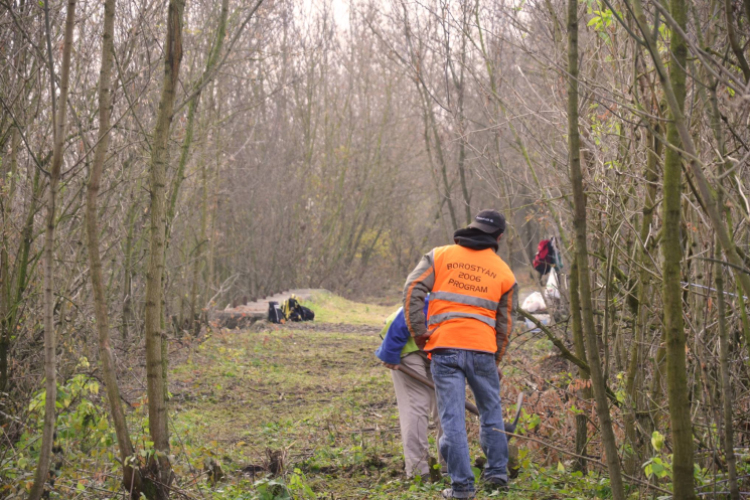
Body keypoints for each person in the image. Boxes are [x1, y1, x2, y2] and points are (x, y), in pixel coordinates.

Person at [403, 209, 517, 499]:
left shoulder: (439, 256)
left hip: (445, 347)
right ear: (499, 236)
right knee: (491, 411)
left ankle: (462, 488)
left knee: (451, 418)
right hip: (483, 350)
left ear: (472, 227)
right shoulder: (504, 272)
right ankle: (496, 474)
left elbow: (413, 287)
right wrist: (495, 357)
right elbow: (504, 324)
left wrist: (419, 332)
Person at [375, 298, 443, 479]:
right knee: (417, 404)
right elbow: (408, 315)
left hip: (437, 347)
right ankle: (418, 471)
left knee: (447, 406)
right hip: (403, 340)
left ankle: (452, 465)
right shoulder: (439, 299)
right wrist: (389, 352)